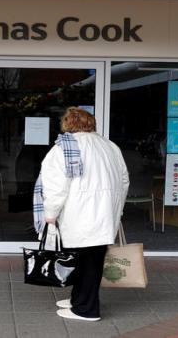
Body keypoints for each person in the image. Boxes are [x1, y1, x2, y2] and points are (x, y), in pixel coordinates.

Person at [39, 107, 129, 322]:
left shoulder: (63, 148)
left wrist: (50, 214)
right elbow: (124, 180)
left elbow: (55, 186)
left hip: (78, 214)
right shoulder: (110, 146)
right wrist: (117, 208)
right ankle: (78, 300)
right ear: (91, 123)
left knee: (82, 261)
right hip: (105, 214)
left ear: (67, 123)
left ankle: (86, 310)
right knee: (91, 261)